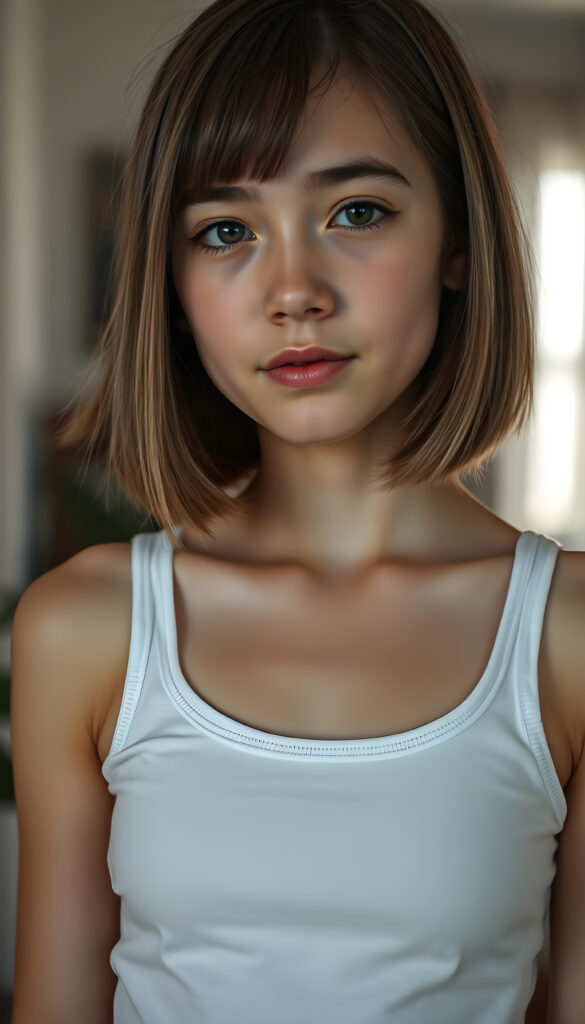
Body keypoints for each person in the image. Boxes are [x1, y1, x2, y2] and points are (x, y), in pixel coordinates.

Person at [9, 0, 585, 1021]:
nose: (292, 291)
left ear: (459, 239)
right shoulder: (82, 627)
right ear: (172, 283)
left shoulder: (570, 638)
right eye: (226, 231)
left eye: (356, 211)